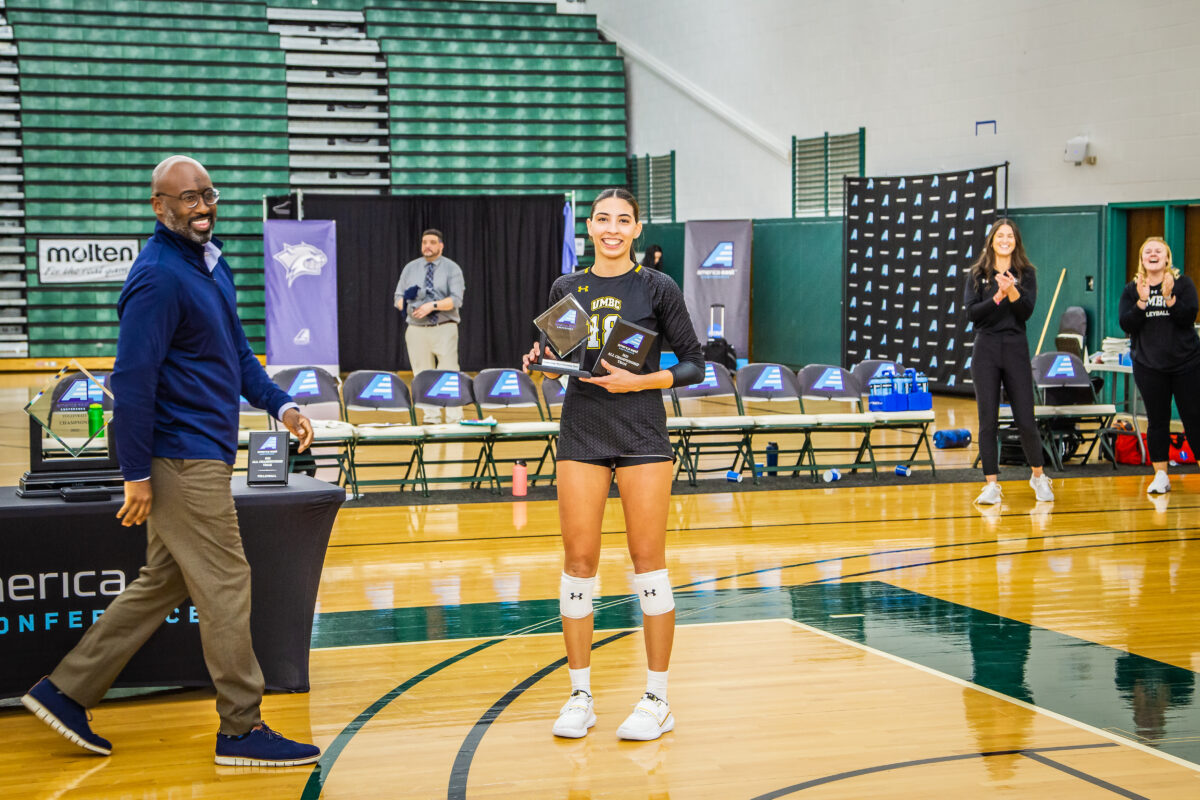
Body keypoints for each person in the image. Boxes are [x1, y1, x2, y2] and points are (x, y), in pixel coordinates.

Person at [21, 155, 322, 767]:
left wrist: (282, 405)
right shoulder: (157, 276)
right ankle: (241, 729)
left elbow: (236, 356)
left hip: (200, 452)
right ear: (159, 208)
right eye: (187, 198)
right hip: (181, 459)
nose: (202, 206)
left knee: (165, 581)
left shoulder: (210, 266)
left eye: (207, 194)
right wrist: (133, 472)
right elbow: (131, 381)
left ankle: (66, 690)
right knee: (228, 583)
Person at [522, 188, 703, 742]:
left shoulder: (657, 286)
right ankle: (580, 695)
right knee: (579, 562)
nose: (612, 229)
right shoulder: (567, 287)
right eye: (603, 219)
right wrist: (542, 366)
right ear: (590, 228)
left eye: (623, 221)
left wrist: (639, 379)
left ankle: (657, 699)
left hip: (643, 428)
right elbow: (559, 368)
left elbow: (696, 364)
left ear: (637, 228)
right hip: (582, 429)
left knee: (648, 562)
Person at [964, 218, 1054, 504]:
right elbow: (973, 313)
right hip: (986, 349)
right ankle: (991, 484)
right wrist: (998, 297)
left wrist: (1012, 290)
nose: (1005, 240)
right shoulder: (978, 274)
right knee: (987, 419)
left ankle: (1038, 476)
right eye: (1000, 235)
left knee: (1026, 419)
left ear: (1016, 241)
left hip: (1015, 347)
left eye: (1010, 236)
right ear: (991, 240)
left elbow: (1026, 312)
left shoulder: (1026, 273)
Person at [1118, 237, 1200, 495]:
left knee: (1194, 418)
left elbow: (1189, 316)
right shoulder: (1132, 289)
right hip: (1149, 366)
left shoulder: (1183, 283)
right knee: (1157, 421)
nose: (1153, 254)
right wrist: (1142, 302)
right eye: (1148, 251)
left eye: (1159, 251)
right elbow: (1126, 325)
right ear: (1142, 259)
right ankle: (1161, 475)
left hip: (1186, 363)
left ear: (1167, 258)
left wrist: (1169, 298)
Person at [394, 229, 465, 422]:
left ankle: (453, 417)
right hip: (417, 329)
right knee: (422, 374)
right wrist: (408, 306)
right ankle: (431, 415)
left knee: (449, 372)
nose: (428, 246)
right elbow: (398, 297)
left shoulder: (452, 268)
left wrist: (431, 306)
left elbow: (456, 300)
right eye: (424, 242)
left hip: (444, 326)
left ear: (441, 246)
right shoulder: (411, 268)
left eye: (432, 242)